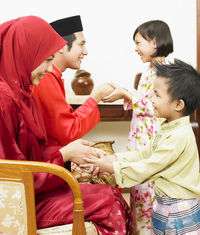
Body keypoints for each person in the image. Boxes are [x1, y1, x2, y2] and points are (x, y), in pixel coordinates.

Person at [0, 15, 132, 234]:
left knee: (112, 196)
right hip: (23, 199)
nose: (49, 67)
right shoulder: (5, 101)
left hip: (37, 188)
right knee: (110, 203)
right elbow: (13, 174)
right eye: (46, 59)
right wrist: (66, 155)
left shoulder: (22, 93)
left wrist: (75, 155)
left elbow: (40, 148)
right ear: (26, 54)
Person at [82, 59, 200, 234]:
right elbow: (144, 153)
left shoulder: (178, 136)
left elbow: (149, 167)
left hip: (178, 213)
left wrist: (112, 167)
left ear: (178, 104)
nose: (151, 99)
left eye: (157, 95)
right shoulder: (168, 128)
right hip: (165, 206)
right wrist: (114, 158)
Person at [102, 20, 174, 233]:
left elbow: (158, 107)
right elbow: (143, 100)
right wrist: (126, 93)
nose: (135, 48)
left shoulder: (164, 72)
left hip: (150, 143)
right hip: (141, 141)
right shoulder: (150, 70)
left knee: (146, 194)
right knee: (139, 191)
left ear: (154, 42)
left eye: (138, 42)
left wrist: (126, 94)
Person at [32, 15, 113, 158]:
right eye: (81, 44)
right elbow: (67, 132)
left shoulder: (51, 76)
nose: (86, 51)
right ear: (62, 46)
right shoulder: (45, 78)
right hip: (49, 163)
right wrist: (97, 96)